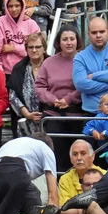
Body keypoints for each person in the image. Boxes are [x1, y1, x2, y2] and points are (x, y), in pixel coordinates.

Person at [34, 25, 83, 170]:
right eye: (65, 39)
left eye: (72, 39)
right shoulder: (48, 63)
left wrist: (69, 99)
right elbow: (39, 86)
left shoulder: (84, 60)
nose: (69, 42)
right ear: (59, 42)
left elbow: (87, 84)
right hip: (53, 113)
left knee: (78, 153)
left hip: (77, 113)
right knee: (57, 154)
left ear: (77, 41)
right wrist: (53, 100)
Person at [0, 0, 40, 77]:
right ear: (6, 7)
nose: (14, 9)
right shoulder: (1, 22)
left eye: (17, 6)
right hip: (6, 72)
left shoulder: (31, 24)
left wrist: (13, 48)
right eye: (10, 6)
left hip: (28, 71)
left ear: (22, 6)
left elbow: (35, 51)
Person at [9, 32, 48, 136]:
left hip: (49, 120)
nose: (34, 50)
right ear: (26, 49)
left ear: (44, 48)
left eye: (38, 47)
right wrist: (27, 114)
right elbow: (13, 96)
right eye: (30, 47)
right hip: (25, 121)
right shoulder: (18, 68)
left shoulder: (53, 65)